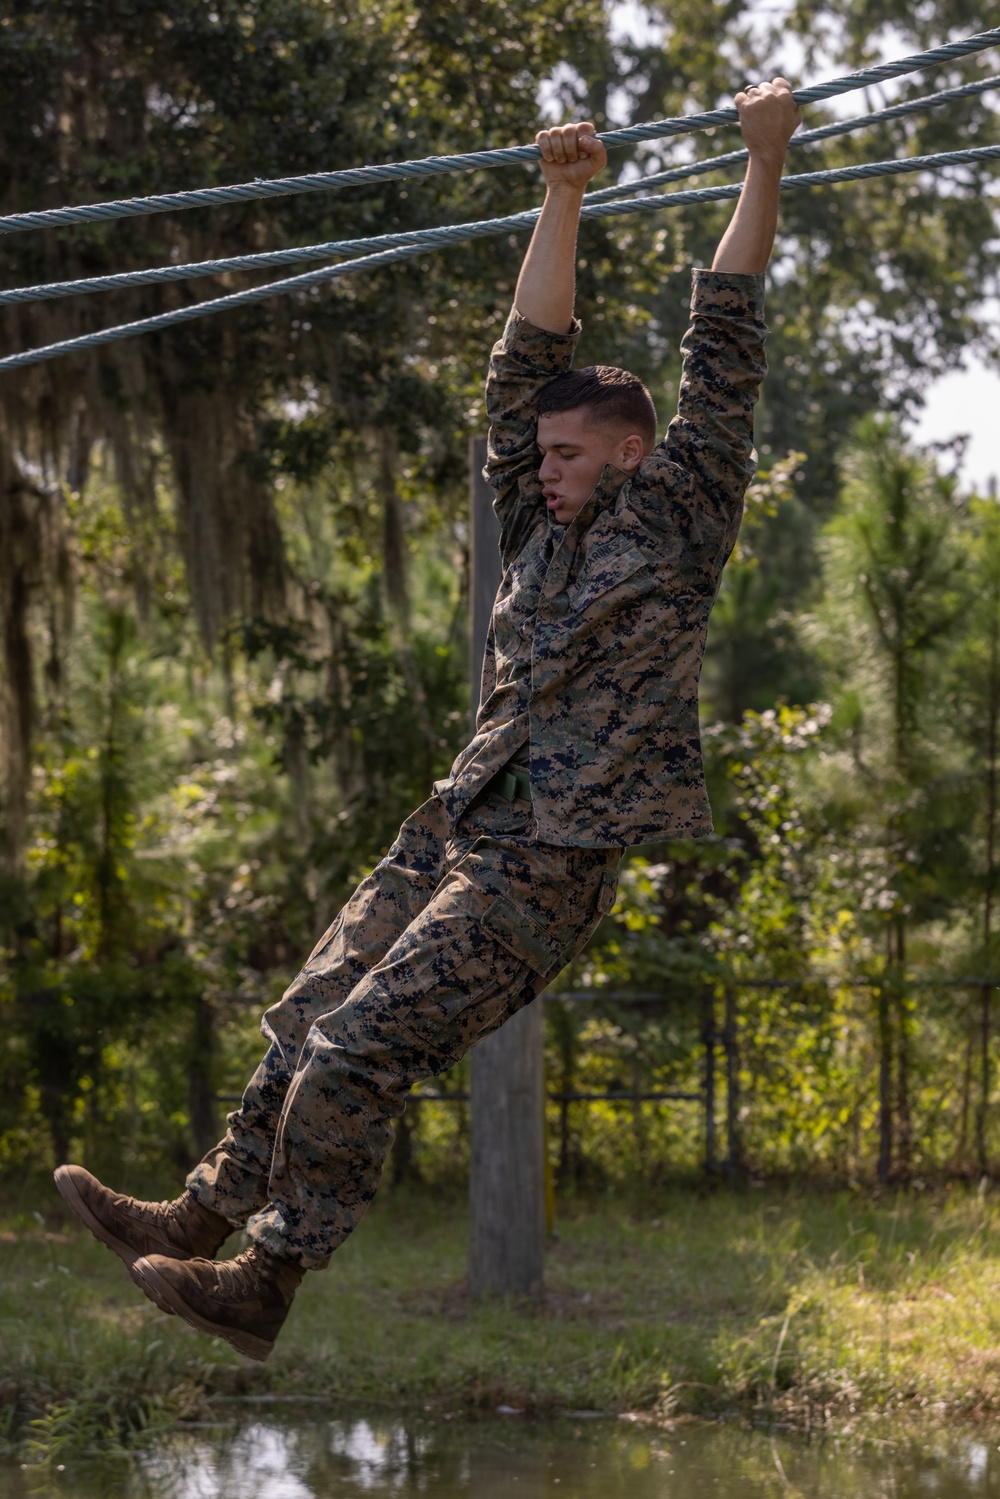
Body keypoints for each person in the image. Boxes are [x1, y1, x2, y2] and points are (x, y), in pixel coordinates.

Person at [54, 79, 802, 1362]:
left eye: (567, 454)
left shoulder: (677, 516)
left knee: (354, 1054)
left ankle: (267, 1277)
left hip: (548, 860)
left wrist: (764, 157)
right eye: (541, 454)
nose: (541, 468)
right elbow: (524, 359)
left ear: (628, 450)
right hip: (459, 819)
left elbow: (721, 337)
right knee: (306, 1014)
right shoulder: (533, 517)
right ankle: (202, 1203)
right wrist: (561, 191)